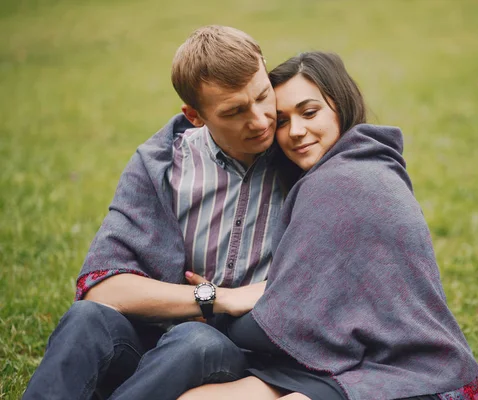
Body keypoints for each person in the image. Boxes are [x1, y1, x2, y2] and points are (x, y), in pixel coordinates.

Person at [179, 52, 478, 400]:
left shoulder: (341, 182)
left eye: (309, 113)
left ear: (340, 104)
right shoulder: (364, 161)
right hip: (348, 362)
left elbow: (288, 325)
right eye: (281, 120)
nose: (296, 131)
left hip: (418, 373)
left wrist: (214, 309)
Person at [23, 25, 290, 400]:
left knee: (194, 338)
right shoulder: (162, 163)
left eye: (264, 96)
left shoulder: (300, 154)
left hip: (241, 359)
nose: (261, 120)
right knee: (85, 320)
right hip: (150, 345)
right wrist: (217, 297)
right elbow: (102, 287)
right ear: (195, 115)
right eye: (235, 112)